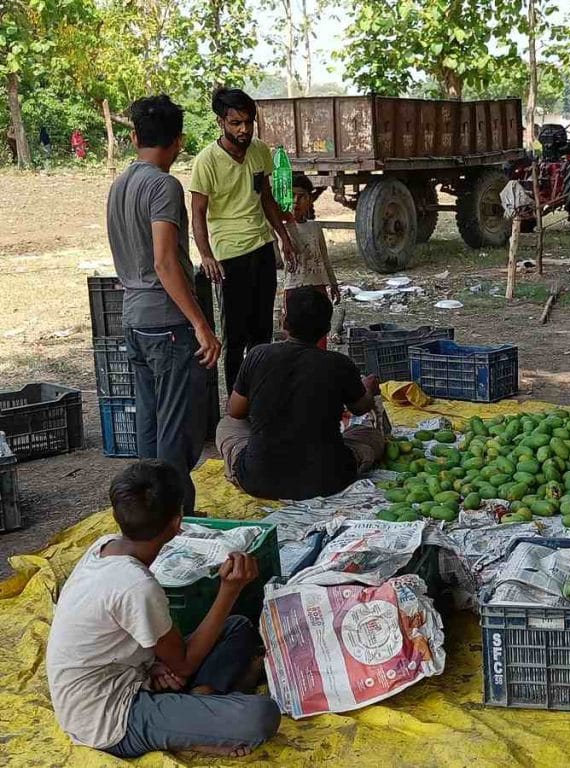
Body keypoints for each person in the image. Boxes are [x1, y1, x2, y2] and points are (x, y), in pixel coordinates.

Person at [46, 460, 281, 758]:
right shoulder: (136, 585)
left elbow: (125, 638)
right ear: (176, 523)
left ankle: (199, 700)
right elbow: (183, 665)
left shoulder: (104, 546)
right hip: (108, 719)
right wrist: (230, 589)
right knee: (262, 715)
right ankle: (188, 727)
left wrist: (153, 665)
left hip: (123, 677)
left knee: (236, 626)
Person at [107, 95, 221, 516]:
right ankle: (177, 520)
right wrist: (200, 324)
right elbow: (165, 260)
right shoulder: (163, 185)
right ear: (179, 141)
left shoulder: (119, 184)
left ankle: (147, 517)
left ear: (134, 137)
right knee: (176, 433)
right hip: (167, 324)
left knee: (150, 429)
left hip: (134, 320)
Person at [215, 286, 385, 500]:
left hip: (259, 479)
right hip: (327, 479)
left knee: (225, 425)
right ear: (325, 329)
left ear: (284, 323)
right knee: (370, 435)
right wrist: (368, 387)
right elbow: (361, 407)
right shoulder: (339, 364)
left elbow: (236, 411)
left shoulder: (257, 355)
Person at [190, 87, 296, 393]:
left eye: (248, 122)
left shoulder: (260, 150)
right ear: (221, 122)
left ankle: (262, 393)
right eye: (236, 122)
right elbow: (197, 213)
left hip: (261, 246)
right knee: (235, 334)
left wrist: (283, 237)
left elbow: (267, 198)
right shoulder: (206, 161)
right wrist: (207, 254)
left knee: (263, 330)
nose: (244, 129)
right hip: (229, 254)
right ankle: (238, 401)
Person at [282, 172, 339, 349]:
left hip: (318, 285)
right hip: (294, 287)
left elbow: (324, 257)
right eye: (292, 196)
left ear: (310, 200)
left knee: (320, 334)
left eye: (302, 196)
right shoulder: (282, 229)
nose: (296, 201)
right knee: (295, 334)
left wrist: (333, 284)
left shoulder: (315, 227)